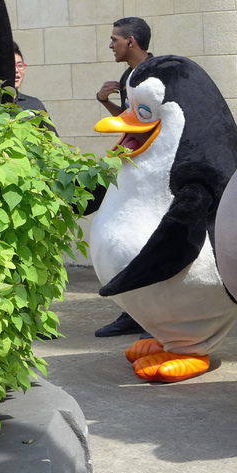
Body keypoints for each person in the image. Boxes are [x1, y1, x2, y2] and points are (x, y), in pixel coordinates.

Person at [93, 17, 153, 338]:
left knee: (150, 241)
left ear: (131, 41)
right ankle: (133, 313)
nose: (110, 45)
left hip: (155, 177)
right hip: (133, 171)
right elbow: (131, 122)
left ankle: (158, 318)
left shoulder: (155, 73)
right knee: (128, 240)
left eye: (114, 39)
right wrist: (106, 102)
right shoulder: (127, 76)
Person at [13, 42, 56, 134]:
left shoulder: (34, 104)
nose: (16, 70)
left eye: (20, 65)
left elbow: (52, 139)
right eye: (11, 66)